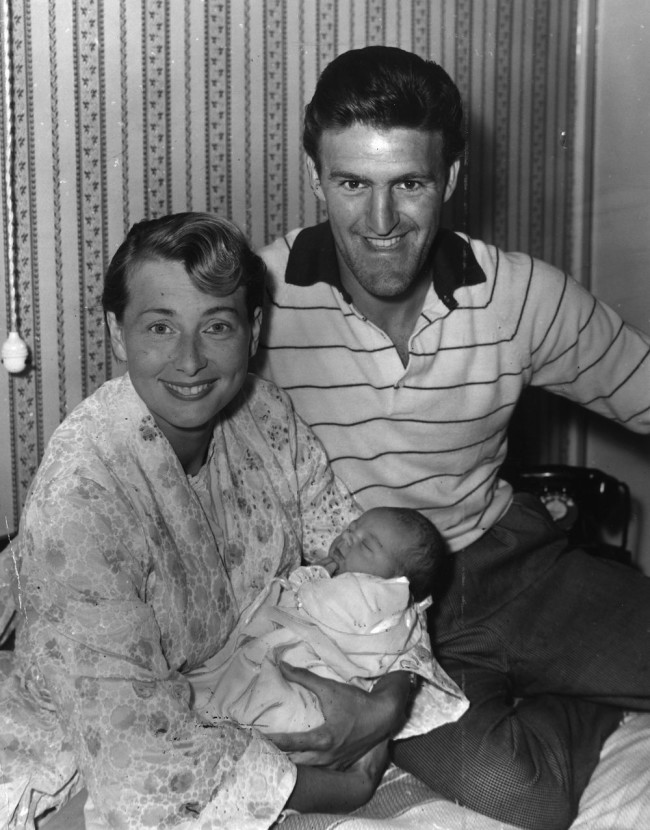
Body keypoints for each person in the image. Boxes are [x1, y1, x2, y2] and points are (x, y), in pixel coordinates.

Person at [253, 45, 650, 830]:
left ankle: (554, 681)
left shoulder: (520, 294)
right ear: (315, 179)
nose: (380, 223)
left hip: (515, 565)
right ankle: (573, 706)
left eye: (409, 183)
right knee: (518, 795)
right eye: (351, 184)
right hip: (382, 618)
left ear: (452, 180)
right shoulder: (256, 300)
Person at [0, 212, 428, 829]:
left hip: (247, 714)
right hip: (85, 760)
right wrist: (349, 789)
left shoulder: (267, 417)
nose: (192, 360)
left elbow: (374, 559)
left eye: (218, 326)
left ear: (253, 331)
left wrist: (387, 704)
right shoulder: (85, 489)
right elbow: (135, 767)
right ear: (117, 335)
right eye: (159, 327)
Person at [190, 507, 467, 748]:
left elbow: (312, 601)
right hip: (313, 681)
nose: (347, 538)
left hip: (310, 683)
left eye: (366, 545)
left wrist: (312, 576)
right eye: (351, 528)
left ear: (396, 581)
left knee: (251, 699)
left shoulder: (371, 595)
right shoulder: (390, 604)